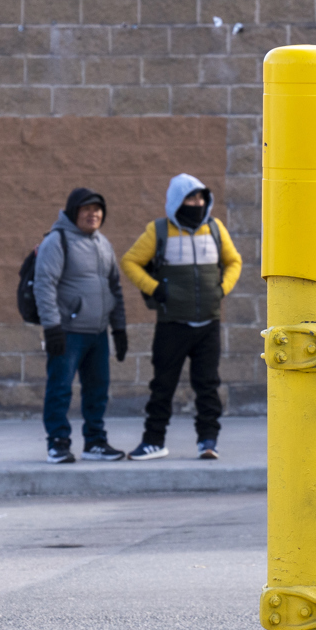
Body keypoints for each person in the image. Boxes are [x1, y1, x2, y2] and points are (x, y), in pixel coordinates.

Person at [120, 174, 242, 461]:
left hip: (208, 323)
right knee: (162, 386)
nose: (197, 203)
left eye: (200, 198)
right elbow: (130, 261)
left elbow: (234, 261)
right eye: (191, 198)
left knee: (208, 386)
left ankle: (208, 441)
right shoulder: (158, 230)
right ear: (177, 201)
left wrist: (222, 289)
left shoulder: (215, 228)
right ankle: (153, 442)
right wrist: (155, 289)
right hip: (172, 324)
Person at [33, 187, 128, 464]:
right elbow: (44, 285)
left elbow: (115, 288)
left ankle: (95, 442)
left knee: (97, 391)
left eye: (98, 210)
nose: (93, 214)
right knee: (60, 388)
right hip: (68, 333)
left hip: (98, 333)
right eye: (87, 210)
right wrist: (52, 328)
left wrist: (119, 329)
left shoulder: (103, 244)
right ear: (74, 212)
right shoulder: (58, 240)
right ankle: (58, 443)